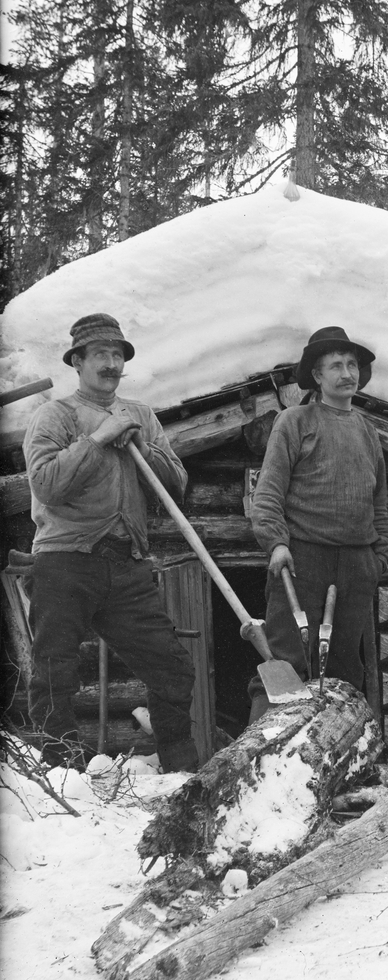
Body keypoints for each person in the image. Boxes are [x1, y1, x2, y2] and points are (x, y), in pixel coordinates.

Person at [23, 314, 198, 772]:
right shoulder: (54, 416)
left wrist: (145, 446)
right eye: (100, 354)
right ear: (77, 362)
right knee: (54, 671)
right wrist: (98, 439)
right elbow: (46, 485)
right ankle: (59, 775)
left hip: (127, 566)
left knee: (172, 667)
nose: (112, 363)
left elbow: (177, 484)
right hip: (65, 561)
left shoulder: (140, 415)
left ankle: (178, 768)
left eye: (118, 354)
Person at [248, 326, 388, 721]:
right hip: (302, 562)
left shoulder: (367, 431)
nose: (347, 374)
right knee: (285, 664)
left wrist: (379, 557)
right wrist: (276, 543)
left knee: (346, 670)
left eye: (352, 365)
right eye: (336, 366)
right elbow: (268, 493)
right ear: (317, 375)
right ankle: (259, 756)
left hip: (357, 566)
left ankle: (341, 756)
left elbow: (378, 505)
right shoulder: (295, 421)